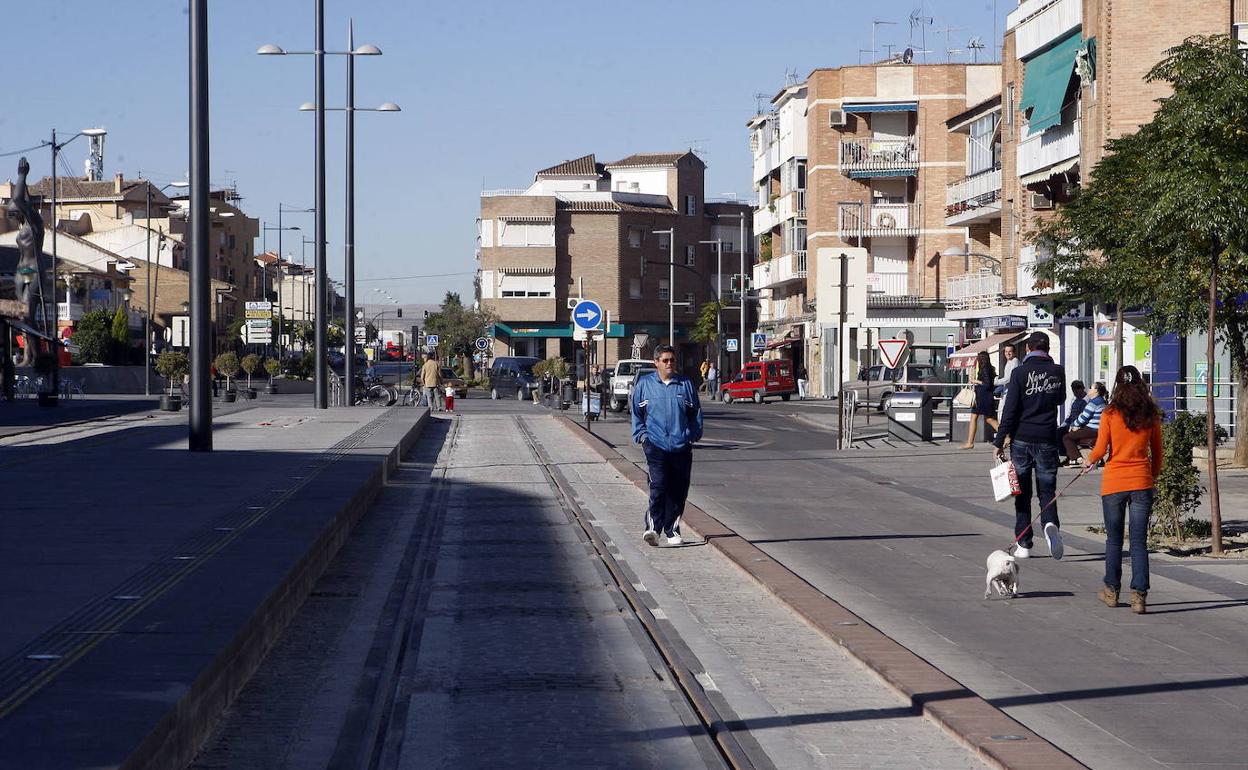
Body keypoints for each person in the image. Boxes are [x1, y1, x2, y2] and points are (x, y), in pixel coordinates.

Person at [1085, 366, 1162, 614]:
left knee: (1114, 541)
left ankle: (1111, 591)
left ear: (1117, 386)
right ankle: (1139, 597)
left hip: (1114, 482)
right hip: (1141, 482)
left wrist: (1089, 461)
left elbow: (1100, 448)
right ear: (1140, 384)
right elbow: (1158, 452)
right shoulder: (1150, 413)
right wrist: (1152, 477)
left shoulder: (1110, 413)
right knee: (1139, 542)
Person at [992, 332, 1066, 560]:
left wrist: (999, 441)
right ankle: (1050, 523)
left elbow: (1010, 410)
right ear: (1047, 350)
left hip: (1022, 438)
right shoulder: (1058, 371)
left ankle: (1024, 543)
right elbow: (1061, 398)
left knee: (1022, 493)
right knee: (1047, 490)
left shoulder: (1019, 373)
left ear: (1027, 349)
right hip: (1046, 438)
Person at [631, 344, 703, 547]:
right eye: (665, 360)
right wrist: (642, 436)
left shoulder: (685, 384)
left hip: (681, 446)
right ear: (656, 363)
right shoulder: (645, 385)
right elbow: (637, 413)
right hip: (655, 445)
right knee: (659, 485)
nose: (669, 363)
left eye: (672, 360)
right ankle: (653, 528)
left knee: (678, 489)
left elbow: (695, 413)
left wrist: (692, 434)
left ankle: (672, 529)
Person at [1061, 381, 1106, 466]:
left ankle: (1077, 459)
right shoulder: (1101, 401)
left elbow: (1083, 418)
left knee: (1067, 437)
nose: (1088, 390)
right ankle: (1072, 457)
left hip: (1092, 429)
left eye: (1091, 388)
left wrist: (1073, 425)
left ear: (1096, 391)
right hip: (1098, 428)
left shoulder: (1093, 403)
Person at [961, 350, 998, 449]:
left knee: (989, 419)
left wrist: (975, 381)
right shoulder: (989, 368)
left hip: (983, 398)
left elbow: (987, 384)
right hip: (983, 397)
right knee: (977, 418)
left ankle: (1007, 436)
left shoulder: (985, 369)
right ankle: (970, 442)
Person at [1056, 381, 1089, 446]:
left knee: (1067, 436)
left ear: (1082, 388)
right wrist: (1063, 425)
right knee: (1058, 432)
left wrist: (1074, 425)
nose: (1075, 390)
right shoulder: (1074, 400)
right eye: (1073, 388)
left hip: (1080, 426)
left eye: (1077, 388)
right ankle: (1064, 453)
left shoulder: (1087, 400)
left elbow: (1084, 417)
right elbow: (1069, 415)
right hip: (1071, 424)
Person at [993, 342, 1019, 422]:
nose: (1007, 353)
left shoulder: (1015, 361)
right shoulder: (1009, 362)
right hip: (1006, 390)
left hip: (1010, 391)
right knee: (1002, 411)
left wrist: (996, 382)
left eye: (1010, 351)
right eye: (1006, 351)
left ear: (1014, 352)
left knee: (1004, 412)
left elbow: (1009, 378)